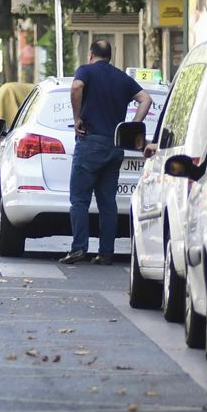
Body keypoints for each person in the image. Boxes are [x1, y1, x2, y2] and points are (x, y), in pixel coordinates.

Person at [64, 40, 152, 265]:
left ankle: (79, 248)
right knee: (107, 203)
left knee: (80, 200)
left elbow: (76, 87)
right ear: (110, 56)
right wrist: (132, 126)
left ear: (91, 54)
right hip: (115, 145)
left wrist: (76, 119)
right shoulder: (121, 77)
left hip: (90, 143)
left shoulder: (86, 70)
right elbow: (146, 99)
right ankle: (105, 253)